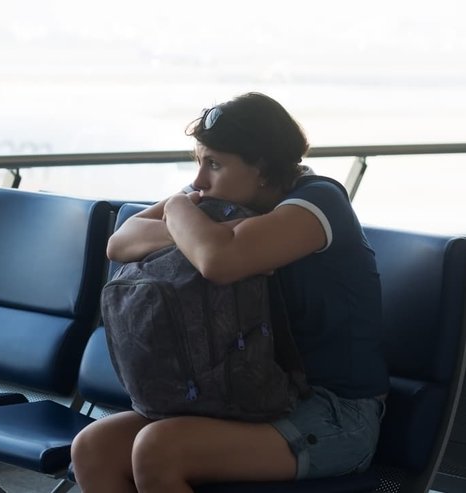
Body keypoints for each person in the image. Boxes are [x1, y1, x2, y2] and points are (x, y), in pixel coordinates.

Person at [70, 92, 389, 492]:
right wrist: (191, 226)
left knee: (159, 449)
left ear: (262, 168)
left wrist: (183, 214)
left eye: (215, 164)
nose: (199, 181)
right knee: (93, 447)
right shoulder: (220, 198)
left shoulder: (318, 202)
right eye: (199, 162)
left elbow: (218, 261)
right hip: (250, 393)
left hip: (335, 413)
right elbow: (121, 239)